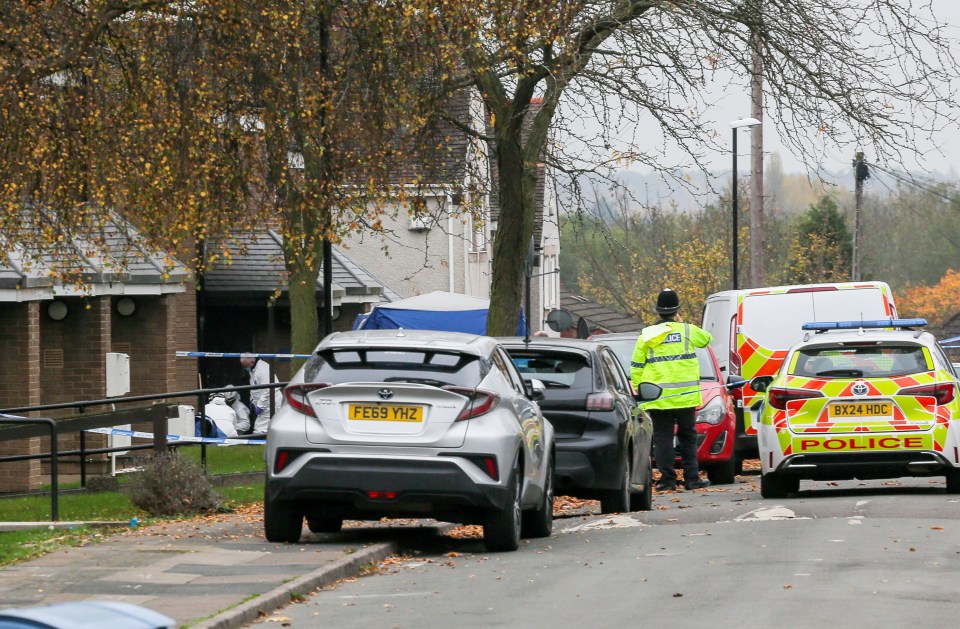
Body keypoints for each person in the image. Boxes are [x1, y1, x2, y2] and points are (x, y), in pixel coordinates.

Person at [630, 289, 713, 491]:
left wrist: (638, 388)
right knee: (688, 437)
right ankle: (692, 479)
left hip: (658, 396)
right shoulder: (687, 330)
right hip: (685, 396)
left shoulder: (646, 335)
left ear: (658, 312)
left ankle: (667, 480)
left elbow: (637, 366)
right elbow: (707, 339)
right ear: (677, 310)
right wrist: (682, 322)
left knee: (663, 437)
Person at [240, 353, 281, 434]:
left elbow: (269, 388)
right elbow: (255, 387)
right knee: (265, 428)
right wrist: (252, 401)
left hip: (271, 403)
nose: (245, 368)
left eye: (246, 366)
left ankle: (264, 445)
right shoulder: (253, 370)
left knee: (260, 429)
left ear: (251, 362)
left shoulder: (262, 370)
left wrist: (260, 405)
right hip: (265, 404)